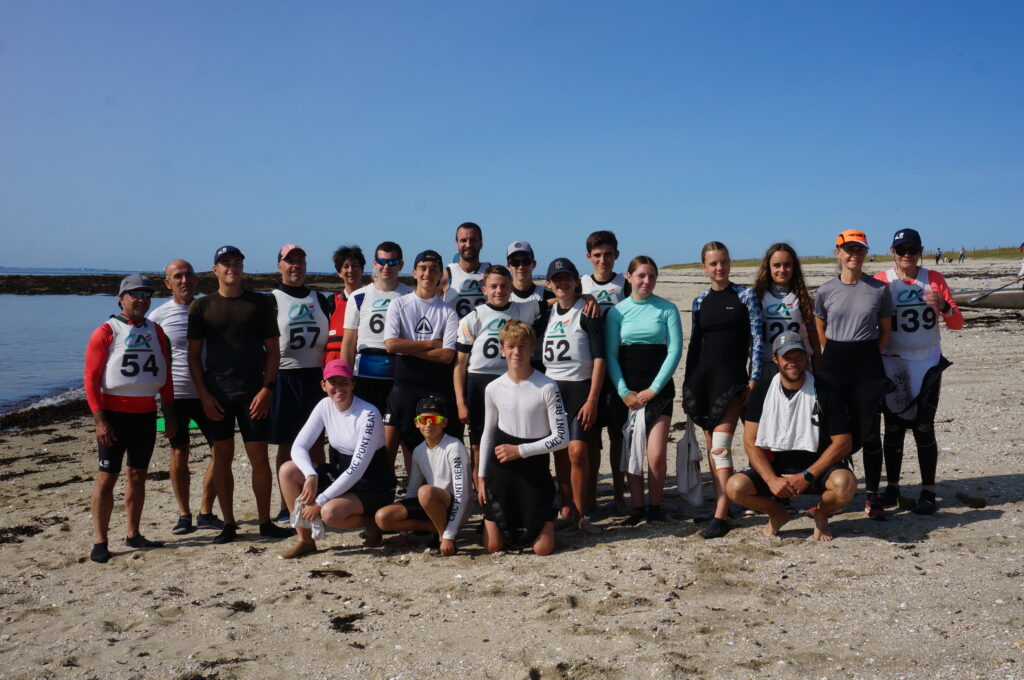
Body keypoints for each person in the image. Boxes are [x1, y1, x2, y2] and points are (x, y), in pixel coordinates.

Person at [187, 245, 291, 544]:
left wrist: (267, 389)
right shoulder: (201, 307)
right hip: (217, 395)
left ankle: (264, 522)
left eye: (237, 262)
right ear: (215, 270)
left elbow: (272, 350)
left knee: (259, 458)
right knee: (222, 458)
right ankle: (229, 523)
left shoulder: (260, 304)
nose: (232, 267)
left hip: (253, 394)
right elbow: (194, 357)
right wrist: (204, 396)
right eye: (226, 262)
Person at [726, 332, 856, 541]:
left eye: (798, 357)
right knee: (735, 487)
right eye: (787, 358)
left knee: (846, 484)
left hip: (815, 470)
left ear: (806, 357)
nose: (793, 363)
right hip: (777, 467)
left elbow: (843, 442)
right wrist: (771, 480)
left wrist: (807, 475)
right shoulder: (762, 390)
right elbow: (750, 441)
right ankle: (777, 513)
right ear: (775, 359)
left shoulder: (825, 390)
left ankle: (821, 513)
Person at [85, 274, 175, 563]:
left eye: (146, 294)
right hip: (113, 416)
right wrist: (100, 420)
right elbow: (90, 377)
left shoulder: (157, 332)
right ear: (121, 298)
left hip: (146, 415)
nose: (141, 299)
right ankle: (100, 540)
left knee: (137, 475)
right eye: (135, 294)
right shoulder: (106, 331)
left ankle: (133, 533)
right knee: (107, 478)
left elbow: (167, 377)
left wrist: (169, 415)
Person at [874, 228, 962, 514]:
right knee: (894, 428)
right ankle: (893, 488)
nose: (907, 255)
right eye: (902, 250)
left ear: (921, 251)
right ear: (892, 252)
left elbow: (957, 323)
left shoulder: (934, 279)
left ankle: (928, 490)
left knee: (924, 427)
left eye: (912, 250)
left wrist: (944, 305)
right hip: (892, 363)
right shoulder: (881, 281)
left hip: (927, 363)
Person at [682, 242, 764, 539]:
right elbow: (695, 346)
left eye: (724, 262)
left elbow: (757, 340)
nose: (719, 268)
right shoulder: (700, 301)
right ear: (704, 267)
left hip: (733, 381)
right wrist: (688, 387)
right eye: (713, 263)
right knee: (712, 449)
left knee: (721, 446)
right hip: (703, 382)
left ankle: (720, 515)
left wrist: (753, 380)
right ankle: (724, 504)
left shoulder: (745, 296)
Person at [277, 360, 396, 558]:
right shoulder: (324, 405)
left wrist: (320, 501)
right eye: (333, 382)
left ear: (353, 384)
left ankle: (371, 523)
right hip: (341, 475)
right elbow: (298, 447)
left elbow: (357, 469)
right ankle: (305, 541)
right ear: (324, 385)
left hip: (373, 484)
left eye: (344, 382)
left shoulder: (369, 414)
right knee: (287, 470)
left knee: (329, 513)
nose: (339, 388)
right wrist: (310, 475)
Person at [814, 229, 894, 520]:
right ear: (838, 253)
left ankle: (873, 496)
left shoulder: (878, 289)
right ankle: (832, 491)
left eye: (859, 250)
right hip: (834, 362)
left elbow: (885, 331)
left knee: (871, 431)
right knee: (832, 429)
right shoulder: (825, 291)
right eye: (848, 250)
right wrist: (834, 352)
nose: (853, 255)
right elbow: (820, 329)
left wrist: (867, 354)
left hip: (867, 363)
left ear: (865, 253)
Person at [478, 321, 568, 555]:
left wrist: (521, 451)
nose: (517, 352)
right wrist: (481, 475)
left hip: (534, 470)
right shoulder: (493, 388)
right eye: (511, 346)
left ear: (532, 350)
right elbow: (487, 434)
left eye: (523, 346)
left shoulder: (547, 386)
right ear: (502, 350)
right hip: (501, 469)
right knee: (493, 546)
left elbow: (562, 438)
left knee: (543, 549)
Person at [606, 256, 683, 526]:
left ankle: (655, 505)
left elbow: (674, 351)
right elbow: (611, 356)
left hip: (658, 391)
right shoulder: (617, 312)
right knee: (632, 453)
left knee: (656, 454)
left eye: (651, 276)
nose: (646, 281)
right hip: (627, 392)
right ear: (628, 277)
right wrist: (624, 392)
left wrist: (654, 389)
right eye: (640, 276)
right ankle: (637, 507)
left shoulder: (667, 309)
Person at [148, 260, 222, 535]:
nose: (184, 280)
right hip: (175, 395)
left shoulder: (208, 308)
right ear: (168, 283)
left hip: (209, 393)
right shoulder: (159, 316)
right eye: (177, 276)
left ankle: (205, 511)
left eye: (188, 275)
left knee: (221, 452)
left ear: (196, 280)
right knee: (180, 452)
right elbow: (150, 356)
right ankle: (184, 514)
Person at [454, 265, 543, 480]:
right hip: (479, 383)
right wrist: (460, 402)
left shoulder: (525, 309)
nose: (499, 291)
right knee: (477, 446)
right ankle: (482, 493)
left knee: (512, 439)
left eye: (504, 286)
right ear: (484, 289)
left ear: (511, 287)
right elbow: (460, 365)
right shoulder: (472, 318)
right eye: (493, 286)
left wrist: (585, 296)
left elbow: (557, 299)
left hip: (511, 382)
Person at [268, 244, 332, 523]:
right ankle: (286, 503)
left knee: (317, 443)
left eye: (300, 260)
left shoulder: (320, 298)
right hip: (285, 375)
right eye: (289, 261)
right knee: (287, 444)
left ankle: (315, 501)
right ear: (280, 266)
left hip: (315, 376)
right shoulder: (271, 299)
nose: (296, 265)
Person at [544, 257, 606, 535]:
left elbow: (600, 359)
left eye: (567, 278)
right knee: (559, 452)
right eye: (557, 279)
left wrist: (593, 398)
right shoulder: (544, 314)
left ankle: (582, 515)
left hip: (580, 389)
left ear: (576, 281)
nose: (562, 283)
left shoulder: (588, 312)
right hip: (553, 391)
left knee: (577, 450)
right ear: (549, 284)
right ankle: (566, 508)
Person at [383, 250, 460, 470]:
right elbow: (391, 345)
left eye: (433, 269)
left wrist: (407, 346)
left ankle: (422, 497)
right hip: (404, 385)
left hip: (435, 385)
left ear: (441, 275)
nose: (428, 273)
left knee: (427, 451)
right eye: (423, 268)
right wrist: (429, 344)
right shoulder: (399, 304)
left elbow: (446, 356)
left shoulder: (447, 312)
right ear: (414, 272)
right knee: (391, 446)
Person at [339, 241, 411, 466]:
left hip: (399, 376)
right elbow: (349, 342)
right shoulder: (359, 296)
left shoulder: (410, 295)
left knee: (403, 437)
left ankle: (405, 490)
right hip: (367, 376)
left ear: (400, 265)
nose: (386, 267)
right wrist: (344, 378)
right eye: (381, 261)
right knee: (367, 435)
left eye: (391, 262)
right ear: (374, 263)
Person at [374, 395, 471, 556]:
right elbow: (411, 492)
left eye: (434, 419)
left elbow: (462, 495)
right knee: (382, 518)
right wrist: (404, 533)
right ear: (416, 423)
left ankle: (442, 535)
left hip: (456, 506)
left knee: (425, 491)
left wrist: (449, 535)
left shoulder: (454, 446)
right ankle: (436, 528)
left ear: (444, 422)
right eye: (424, 419)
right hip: (431, 506)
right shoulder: (419, 451)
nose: (428, 424)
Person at [580, 230, 631, 513]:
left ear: (616, 256)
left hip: (618, 367)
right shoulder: (581, 283)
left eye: (608, 254)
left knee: (617, 435)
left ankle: (618, 493)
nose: (603, 260)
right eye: (597, 255)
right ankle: (589, 494)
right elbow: (552, 301)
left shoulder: (624, 283)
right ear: (589, 257)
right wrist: (583, 294)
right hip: (588, 367)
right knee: (590, 436)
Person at [751, 243, 820, 378]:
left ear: (794, 267)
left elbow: (813, 336)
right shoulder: (756, 298)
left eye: (787, 265)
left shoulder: (803, 299)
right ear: (768, 267)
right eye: (776, 265)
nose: (782, 270)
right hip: (765, 365)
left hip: (797, 365)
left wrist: (817, 367)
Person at [323, 245, 366, 363]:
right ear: (339, 272)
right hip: (334, 365)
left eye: (355, 265)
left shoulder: (371, 299)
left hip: (361, 363)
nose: (350, 270)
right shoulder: (330, 302)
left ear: (362, 269)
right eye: (346, 266)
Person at [442, 222, 490, 318]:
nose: (468, 244)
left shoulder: (491, 272)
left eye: (473, 240)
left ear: (481, 243)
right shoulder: (446, 274)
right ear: (457, 244)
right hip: (456, 332)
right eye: (463, 240)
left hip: (484, 331)